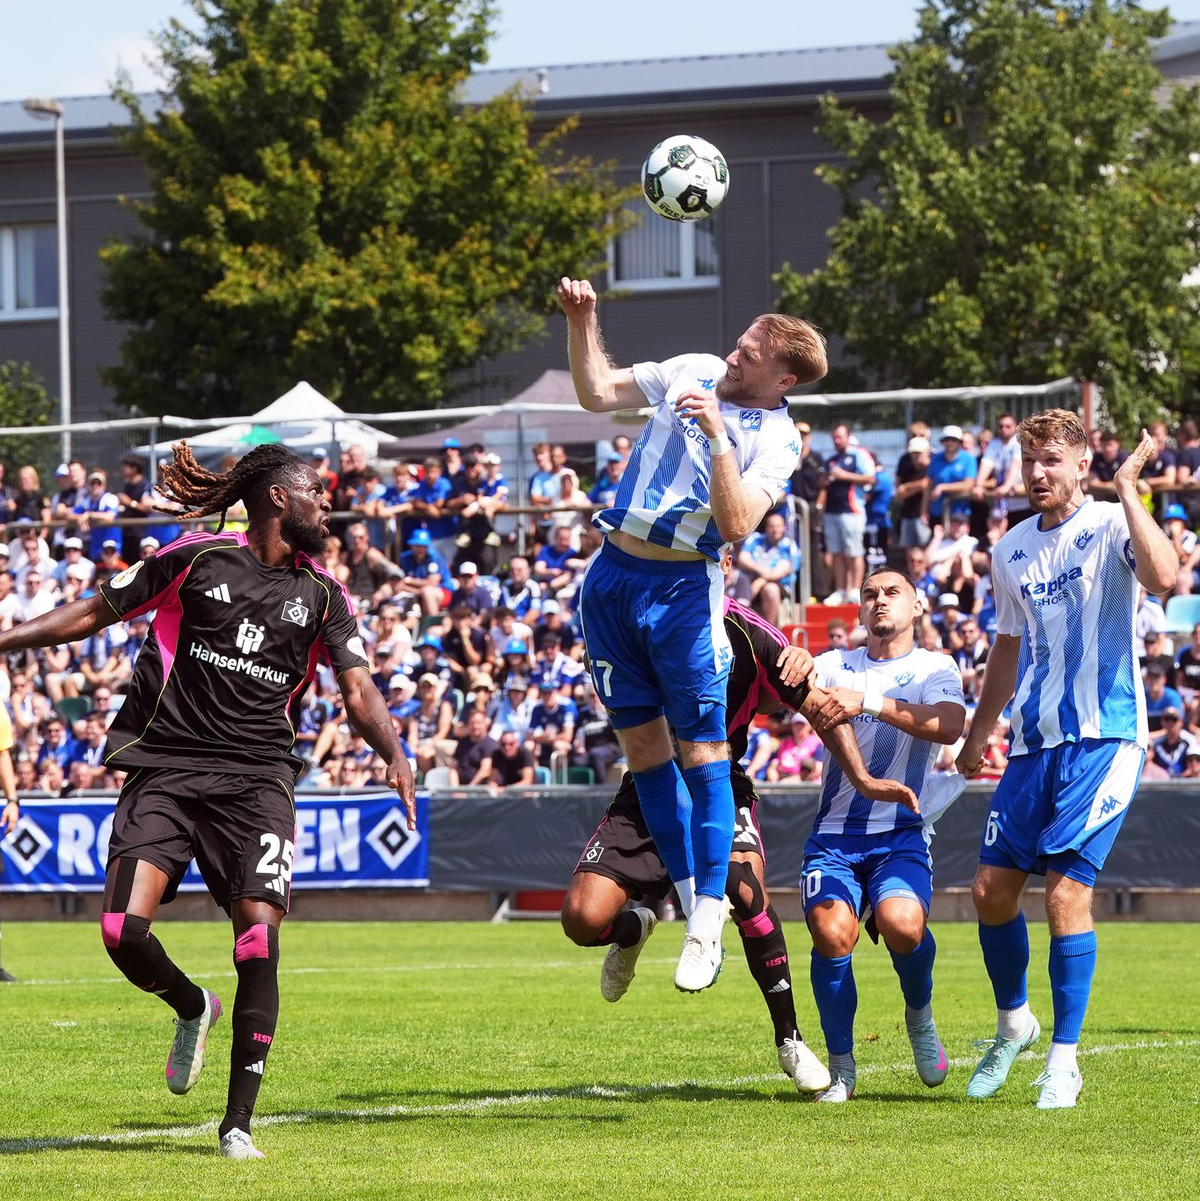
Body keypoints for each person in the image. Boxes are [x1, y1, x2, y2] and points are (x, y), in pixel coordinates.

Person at [0, 441, 416, 1158]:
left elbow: (358, 689)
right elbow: (91, 611)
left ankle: (237, 1125)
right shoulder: (195, 558)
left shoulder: (324, 594)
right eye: (316, 489)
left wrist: (395, 751)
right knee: (119, 933)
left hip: (257, 782)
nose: (328, 500)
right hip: (165, 768)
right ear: (278, 497)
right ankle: (193, 1005)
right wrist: (5, 640)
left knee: (258, 937)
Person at [557, 274, 827, 991]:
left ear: (784, 376)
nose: (732, 358)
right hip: (612, 580)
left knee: (702, 751)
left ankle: (710, 913)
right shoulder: (693, 369)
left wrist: (715, 436)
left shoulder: (778, 438)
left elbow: (737, 524)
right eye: (737, 345)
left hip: (683, 589)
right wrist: (582, 321)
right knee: (644, 754)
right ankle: (683, 895)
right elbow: (596, 392)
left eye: (748, 355)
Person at [561, 584, 917, 1092]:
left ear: (723, 564)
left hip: (718, 782)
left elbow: (810, 702)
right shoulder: (636, 614)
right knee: (581, 919)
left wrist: (860, 775)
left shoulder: (750, 633)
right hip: (649, 783)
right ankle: (633, 929)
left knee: (746, 893)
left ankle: (790, 1042)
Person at [954, 412, 1176, 1109]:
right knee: (990, 892)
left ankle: (1064, 1060)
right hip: (1031, 744)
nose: (1037, 473)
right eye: (1029, 461)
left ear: (1082, 466)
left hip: (1105, 737)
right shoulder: (1011, 547)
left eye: (1052, 459)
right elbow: (1007, 648)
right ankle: (1015, 1020)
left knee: (1063, 893)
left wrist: (1130, 485)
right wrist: (975, 735)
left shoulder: (1112, 522)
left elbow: (1166, 577)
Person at [802, 568, 967, 1101]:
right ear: (857, 611)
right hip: (834, 835)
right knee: (832, 935)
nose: (880, 601)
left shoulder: (934, 667)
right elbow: (784, 692)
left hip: (900, 834)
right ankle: (842, 1064)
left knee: (902, 925)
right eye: (869, 594)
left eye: (893, 592)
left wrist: (867, 702)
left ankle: (919, 1014)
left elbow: (948, 725)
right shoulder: (832, 665)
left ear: (917, 607)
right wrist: (792, 661)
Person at [821, 424, 875, 604]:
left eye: (840, 437)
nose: (837, 441)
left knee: (854, 552)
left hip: (852, 511)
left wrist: (843, 475)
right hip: (832, 511)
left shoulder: (858, 455)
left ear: (848, 437)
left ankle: (854, 588)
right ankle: (840, 589)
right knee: (836, 552)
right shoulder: (831, 460)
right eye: (834, 437)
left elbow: (869, 478)